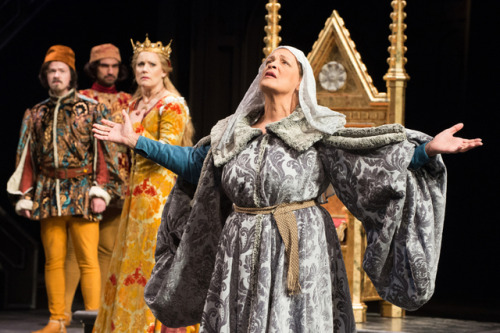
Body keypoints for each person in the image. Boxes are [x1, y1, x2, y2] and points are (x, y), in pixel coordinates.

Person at [93, 46, 482, 332]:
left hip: (299, 245)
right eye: (268, 60)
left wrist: (425, 150)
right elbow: (197, 166)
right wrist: (138, 141)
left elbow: (372, 165)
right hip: (241, 246)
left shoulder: (318, 132)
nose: (273, 64)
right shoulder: (234, 131)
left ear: (301, 82)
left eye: (284, 62)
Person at [92, 35, 196, 333]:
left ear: (165, 70)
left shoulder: (171, 105)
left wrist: (133, 131)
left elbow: (168, 150)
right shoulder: (135, 103)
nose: (144, 69)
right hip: (135, 194)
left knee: (151, 260)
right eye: (139, 64)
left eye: (151, 64)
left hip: (159, 194)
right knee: (129, 259)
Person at [7, 45, 112, 333]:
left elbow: (104, 152)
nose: (56, 75)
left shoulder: (90, 109)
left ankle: (95, 321)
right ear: (45, 76)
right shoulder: (36, 113)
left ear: (71, 75)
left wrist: (100, 189)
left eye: (61, 70)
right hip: (48, 190)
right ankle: (57, 319)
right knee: (53, 259)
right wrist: (26, 195)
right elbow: (26, 156)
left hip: (81, 189)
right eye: (51, 71)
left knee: (88, 259)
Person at [63, 43, 132, 324]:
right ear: (94, 68)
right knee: (75, 248)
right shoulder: (80, 98)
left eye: (115, 66)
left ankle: (99, 312)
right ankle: (63, 314)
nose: (110, 71)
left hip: (121, 181)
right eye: (105, 65)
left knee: (107, 248)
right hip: (87, 181)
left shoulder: (129, 100)